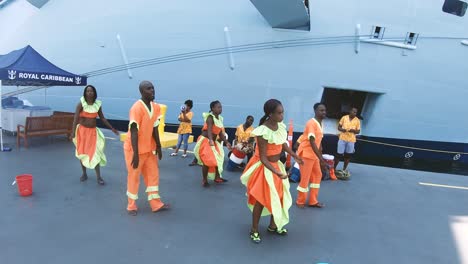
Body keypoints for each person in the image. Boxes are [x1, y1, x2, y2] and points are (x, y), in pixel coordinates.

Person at [240, 99, 302, 244]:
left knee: (279, 196)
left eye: (283, 112)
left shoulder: (280, 127)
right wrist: (277, 172)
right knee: (261, 200)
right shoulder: (262, 132)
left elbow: (282, 144)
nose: (282, 116)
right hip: (265, 168)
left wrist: (294, 155)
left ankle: (273, 226)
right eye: (279, 113)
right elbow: (262, 158)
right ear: (270, 114)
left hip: (276, 166)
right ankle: (254, 229)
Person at [124, 81, 170, 216]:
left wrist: (159, 146)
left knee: (153, 175)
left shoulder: (156, 107)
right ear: (142, 92)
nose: (152, 91)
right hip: (134, 149)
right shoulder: (136, 108)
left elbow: (155, 127)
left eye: (153, 88)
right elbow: (133, 131)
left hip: (149, 148)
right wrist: (136, 154)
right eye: (149, 89)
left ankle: (156, 204)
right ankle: (131, 206)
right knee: (134, 176)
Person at [71, 85, 118, 185]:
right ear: (85, 93)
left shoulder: (98, 104)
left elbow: (103, 118)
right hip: (82, 132)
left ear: (94, 93)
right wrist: (73, 132)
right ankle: (84, 174)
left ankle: (99, 177)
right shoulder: (81, 104)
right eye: (87, 91)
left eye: (91, 91)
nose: (89, 93)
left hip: (93, 133)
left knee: (96, 153)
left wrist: (112, 128)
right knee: (82, 153)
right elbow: (75, 118)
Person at [296, 103, 328, 209]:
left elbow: (319, 140)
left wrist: (320, 153)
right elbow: (312, 141)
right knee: (305, 178)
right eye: (321, 110)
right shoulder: (311, 123)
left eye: (324, 110)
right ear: (315, 111)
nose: (323, 112)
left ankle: (313, 201)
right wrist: (321, 159)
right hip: (306, 154)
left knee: (317, 175)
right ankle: (300, 201)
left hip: (313, 155)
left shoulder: (320, 123)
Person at [193, 100, 232, 187]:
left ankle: (217, 177)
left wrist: (226, 142)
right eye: (218, 107)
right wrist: (210, 140)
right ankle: (204, 180)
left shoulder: (220, 118)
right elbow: (209, 130)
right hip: (206, 140)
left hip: (213, 141)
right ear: (212, 108)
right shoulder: (210, 117)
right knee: (207, 161)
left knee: (219, 159)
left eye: (221, 107)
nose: (220, 109)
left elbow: (220, 133)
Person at [334, 107, 361, 172]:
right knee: (339, 155)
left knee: (347, 156)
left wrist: (353, 130)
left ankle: (344, 169)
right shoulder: (344, 117)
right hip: (342, 139)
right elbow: (339, 127)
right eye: (353, 111)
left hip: (351, 140)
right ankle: (334, 168)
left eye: (355, 112)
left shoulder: (357, 120)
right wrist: (343, 130)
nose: (354, 113)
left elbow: (358, 131)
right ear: (350, 111)